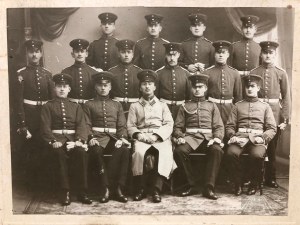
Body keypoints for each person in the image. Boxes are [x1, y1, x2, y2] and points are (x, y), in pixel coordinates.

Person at [40, 73, 92, 206]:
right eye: (59, 87)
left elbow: (82, 125)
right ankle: (65, 191)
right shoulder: (48, 106)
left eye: (64, 87)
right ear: (54, 88)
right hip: (57, 139)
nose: (62, 89)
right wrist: (52, 141)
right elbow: (45, 127)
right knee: (59, 154)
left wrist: (79, 141)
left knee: (81, 153)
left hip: (73, 139)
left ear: (69, 89)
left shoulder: (76, 106)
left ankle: (82, 191)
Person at [127, 69, 176, 203]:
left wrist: (156, 136)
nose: (147, 86)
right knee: (139, 153)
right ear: (140, 87)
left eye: (150, 83)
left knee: (164, 153)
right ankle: (141, 189)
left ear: (155, 87)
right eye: (144, 84)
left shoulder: (162, 105)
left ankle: (156, 190)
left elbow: (169, 124)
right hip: (142, 136)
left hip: (159, 137)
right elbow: (131, 126)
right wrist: (141, 136)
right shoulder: (134, 106)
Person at [173, 74, 224, 200]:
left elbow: (218, 126)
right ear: (191, 89)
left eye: (200, 87)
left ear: (205, 88)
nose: (197, 89)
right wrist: (179, 136)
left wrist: (217, 138)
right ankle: (191, 185)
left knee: (217, 150)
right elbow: (177, 127)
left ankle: (209, 187)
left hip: (208, 138)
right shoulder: (185, 106)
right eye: (195, 87)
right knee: (179, 151)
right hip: (191, 138)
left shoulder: (212, 106)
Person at [83, 71, 130, 203]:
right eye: (100, 85)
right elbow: (86, 124)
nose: (103, 88)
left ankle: (119, 188)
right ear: (95, 87)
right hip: (97, 137)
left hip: (114, 137)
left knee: (124, 150)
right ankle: (106, 188)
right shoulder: (89, 104)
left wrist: (122, 138)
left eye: (106, 85)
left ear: (110, 87)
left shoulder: (116, 104)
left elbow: (121, 125)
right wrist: (90, 137)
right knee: (96, 151)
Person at [226, 74, 277, 195]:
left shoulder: (265, 107)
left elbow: (272, 128)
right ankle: (237, 183)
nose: (250, 89)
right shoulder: (237, 106)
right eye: (247, 86)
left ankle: (254, 184)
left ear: (258, 88)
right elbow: (229, 125)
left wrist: (263, 138)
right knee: (230, 153)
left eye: (253, 86)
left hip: (257, 139)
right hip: (240, 138)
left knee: (257, 155)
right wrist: (232, 135)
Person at [250, 41, 291, 188]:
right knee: (255, 145)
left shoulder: (281, 73)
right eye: (265, 53)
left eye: (271, 53)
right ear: (261, 54)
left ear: (275, 55)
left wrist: (285, 118)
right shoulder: (254, 72)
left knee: (272, 148)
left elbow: (286, 96)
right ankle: (254, 177)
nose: (267, 55)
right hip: (257, 113)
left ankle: (270, 178)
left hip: (275, 114)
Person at [15, 39, 54, 188]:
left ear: (41, 53)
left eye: (37, 52)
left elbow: (51, 100)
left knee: (45, 147)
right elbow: (18, 101)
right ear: (27, 53)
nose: (34, 55)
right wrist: (22, 123)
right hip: (29, 116)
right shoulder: (21, 74)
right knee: (30, 149)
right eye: (31, 52)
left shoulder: (47, 74)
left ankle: (45, 183)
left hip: (44, 117)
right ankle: (31, 184)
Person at [205, 40, 243, 125]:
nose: (221, 55)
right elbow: (204, 97)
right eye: (218, 52)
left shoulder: (234, 73)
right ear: (215, 55)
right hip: (212, 108)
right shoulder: (207, 72)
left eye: (223, 52)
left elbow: (238, 97)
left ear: (228, 55)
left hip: (229, 110)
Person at [156, 42, 191, 118]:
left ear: (178, 55)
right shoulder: (158, 73)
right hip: (163, 110)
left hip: (181, 110)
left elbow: (189, 97)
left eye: (174, 55)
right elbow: (155, 97)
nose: (172, 58)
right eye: (169, 55)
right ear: (165, 55)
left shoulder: (186, 74)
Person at [108, 39, 142, 115]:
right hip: (116, 107)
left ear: (133, 54)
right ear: (118, 54)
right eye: (123, 52)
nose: (126, 55)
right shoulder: (111, 72)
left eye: (129, 52)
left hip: (136, 108)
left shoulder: (139, 72)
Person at [62, 39, 100, 104]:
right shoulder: (66, 72)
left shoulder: (94, 72)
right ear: (72, 54)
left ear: (86, 54)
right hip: (72, 107)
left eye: (82, 51)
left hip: (89, 107)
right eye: (77, 51)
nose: (79, 54)